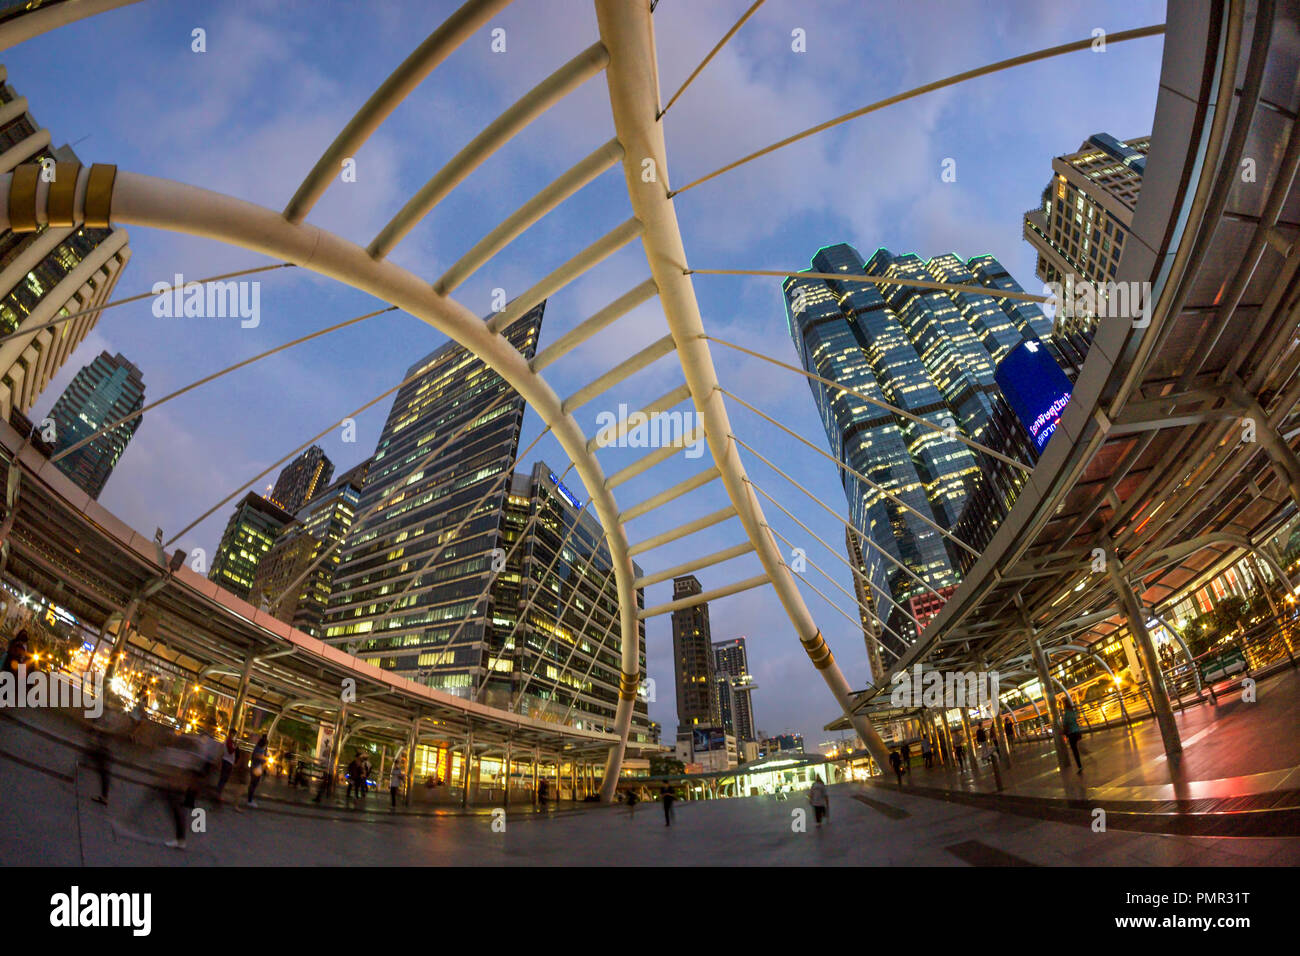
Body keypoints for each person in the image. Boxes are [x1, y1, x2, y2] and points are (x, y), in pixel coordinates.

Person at [246, 734, 268, 807]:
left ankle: (250, 799)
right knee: (253, 784)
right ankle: (249, 800)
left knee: (253, 784)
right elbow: (259, 757)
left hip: (254, 767)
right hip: (256, 768)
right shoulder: (260, 750)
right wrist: (264, 760)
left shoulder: (257, 748)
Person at [1062, 700, 1084, 772]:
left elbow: (1065, 725)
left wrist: (1064, 733)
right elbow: (1076, 719)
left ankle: (1079, 766)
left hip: (1071, 734)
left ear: (1064, 706)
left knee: (1075, 750)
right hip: (1077, 732)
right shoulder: (1073, 712)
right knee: (1078, 747)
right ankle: (1084, 753)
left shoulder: (1066, 714)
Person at [215, 731, 238, 804]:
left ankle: (218, 794)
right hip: (227, 761)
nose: (234, 736)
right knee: (223, 779)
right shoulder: (229, 741)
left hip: (228, 761)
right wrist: (235, 747)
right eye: (234, 735)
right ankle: (218, 794)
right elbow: (230, 751)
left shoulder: (228, 741)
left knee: (223, 779)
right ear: (232, 734)